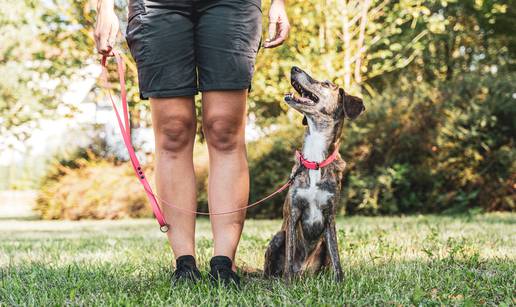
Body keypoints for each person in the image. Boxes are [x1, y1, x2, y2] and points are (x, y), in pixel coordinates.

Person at [94, 0, 290, 285]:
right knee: (173, 130)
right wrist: (104, 8)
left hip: (231, 5)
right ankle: (184, 265)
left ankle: (224, 265)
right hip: (157, 6)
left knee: (224, 127)